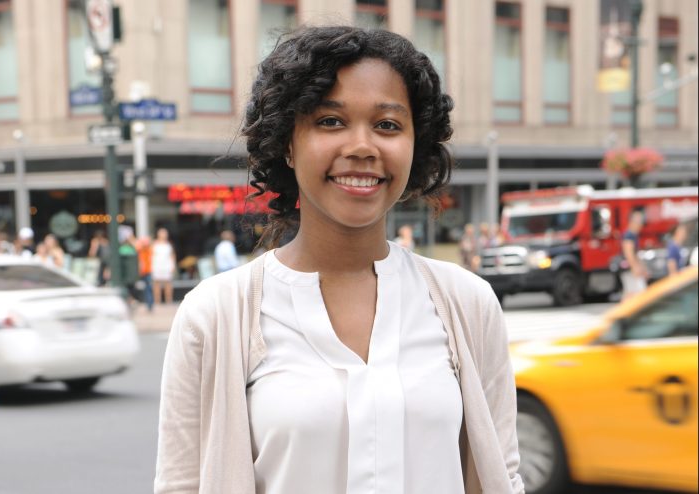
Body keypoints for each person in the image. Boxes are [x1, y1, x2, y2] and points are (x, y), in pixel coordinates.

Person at [156, 26, 523, 494]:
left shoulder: (467, 303)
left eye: (388, 125)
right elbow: (182, 485)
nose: (362, 146)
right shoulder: (215, 315)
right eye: (330, 121)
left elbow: (502, 475)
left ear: (416, 145)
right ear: (287, 142)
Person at [621, 210, 648, 299]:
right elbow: (629, 253)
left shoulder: (633, 235)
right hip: (630, 269)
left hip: (630, 268)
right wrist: (635, 267)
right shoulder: (629, 235)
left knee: (630, 292)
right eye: (639, 222)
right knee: (635, 293)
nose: (640, 225)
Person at [152, 228, 176, 305]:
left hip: (167, 266)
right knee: (156, 284)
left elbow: (172, 255)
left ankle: (168, 301)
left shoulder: (169, 244)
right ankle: (157, 302)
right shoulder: (154, 244)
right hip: (157, 266)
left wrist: (173, 265)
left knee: (168, 284)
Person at [137, 235, 154, 312]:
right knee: (145, 288)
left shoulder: (149, 249)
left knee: (149, 288)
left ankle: (150, 304)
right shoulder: (140, 250)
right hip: (142, 272)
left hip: (148, 271)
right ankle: (147, 304)